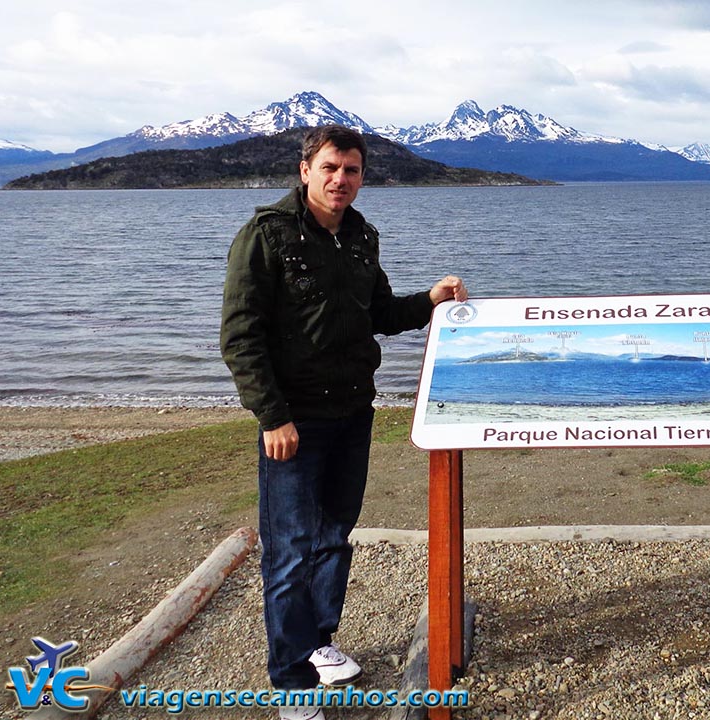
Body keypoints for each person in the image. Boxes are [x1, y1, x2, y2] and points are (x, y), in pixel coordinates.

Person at [220, 125, 467, 720]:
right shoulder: (266, 236)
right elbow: (240, 336)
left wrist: (431, 300)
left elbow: (378, 313)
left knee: (334, 537)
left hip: (353, 415)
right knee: (288, 551)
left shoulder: (360, 238)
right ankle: (292, 685)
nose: (340, 180)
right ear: (305, 169)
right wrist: (273, 417)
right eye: (330, 168)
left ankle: (318, 643)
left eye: (352, 170)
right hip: (294, 424)